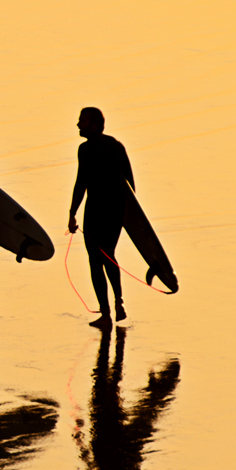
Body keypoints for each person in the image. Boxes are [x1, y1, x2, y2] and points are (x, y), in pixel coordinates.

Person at [68, 106, 135, 328]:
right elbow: (130, 184)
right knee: (109, 255)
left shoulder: (85, 149)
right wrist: (128, 215)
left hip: (96, 208)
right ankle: (119, 300)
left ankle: (105, 314)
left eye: (83, 121)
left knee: (95, 261)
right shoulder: (116, 146)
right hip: (116, 207)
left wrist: (72, 212)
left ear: (95, 124)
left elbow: (81, 183)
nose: (79, 125)